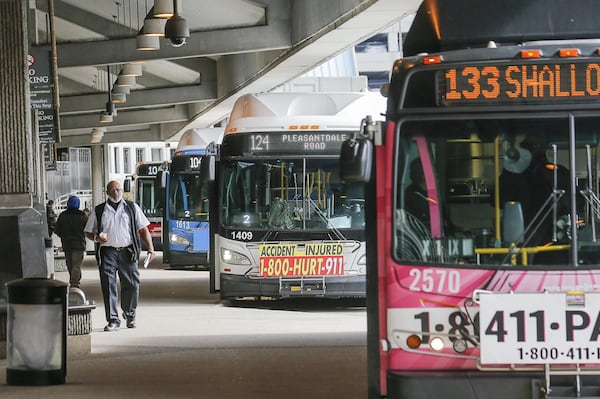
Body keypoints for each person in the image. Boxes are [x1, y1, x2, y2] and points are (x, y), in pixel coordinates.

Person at [84, 180, 155, 332]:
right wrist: (97, 238)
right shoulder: (99, 210)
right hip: (107, 252)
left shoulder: (131, 207)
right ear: (107, 192)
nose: (116, 192)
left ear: (122, 191)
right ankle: (113, 320)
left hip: (128, 252)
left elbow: (143, 229)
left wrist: (151, 248)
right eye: (113, 190)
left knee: (132, 284)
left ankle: (130, 314)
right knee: (108, 286)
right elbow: (88, 232)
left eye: (118, 190)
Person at [54, 195, 88, 288]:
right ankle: (75, 282)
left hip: (67, 244)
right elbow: (88, 230)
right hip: (79, 244)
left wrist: (64, 236)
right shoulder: (83, 216)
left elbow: (57, 230)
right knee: (76, 265)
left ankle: (74, 280)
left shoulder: (63, 216)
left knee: (70, 264)